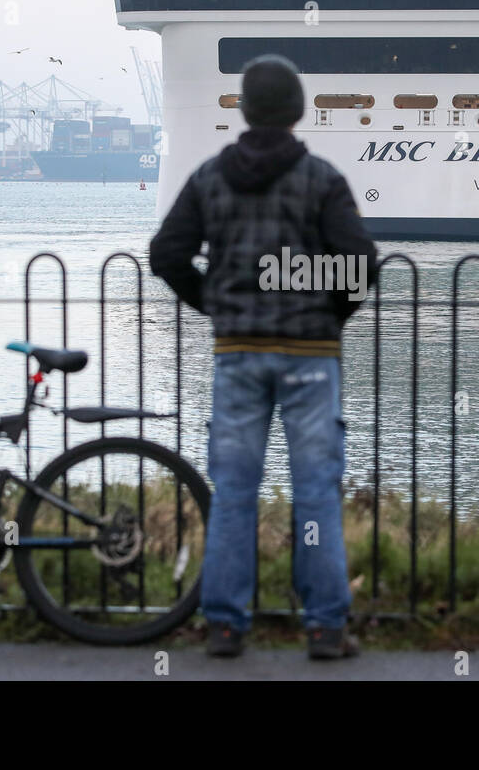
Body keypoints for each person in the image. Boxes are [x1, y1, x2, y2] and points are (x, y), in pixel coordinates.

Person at [148, 54, 377, 659]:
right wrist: (329, 317)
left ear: (245, 109)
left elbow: (166, 253)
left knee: (234, 490)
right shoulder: (322, 179)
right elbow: (361, 262)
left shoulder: (208, 178)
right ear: (298, 111)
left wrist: (213, 306)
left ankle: (225, 624)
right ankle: (326, 627)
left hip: (238, 353)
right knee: (317, 492)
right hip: (310, 356)